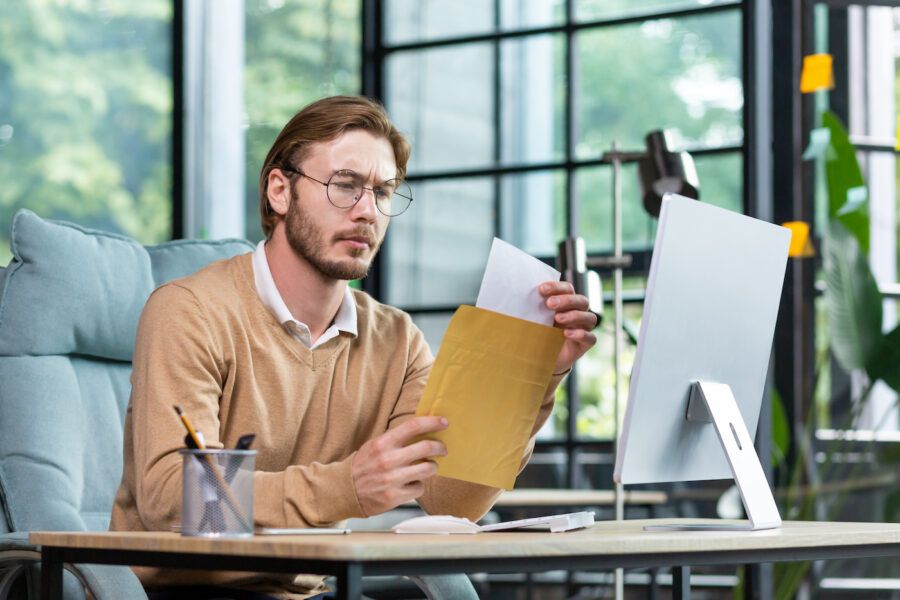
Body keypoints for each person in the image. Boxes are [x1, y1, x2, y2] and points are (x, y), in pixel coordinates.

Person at [110, 95, 598, 599]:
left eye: (383, 192)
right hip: (181, 592)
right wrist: (348, 486)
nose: (368, 211)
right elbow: (178, 498)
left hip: (310, 593)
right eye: (345, 185)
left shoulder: (395, 338)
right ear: (280, 190)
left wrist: (533, 379)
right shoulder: (191, 310)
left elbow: (451, 500)